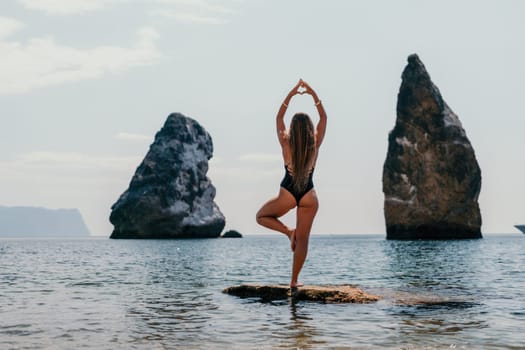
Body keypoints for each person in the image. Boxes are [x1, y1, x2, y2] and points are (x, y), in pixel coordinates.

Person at [256, 79, 327, 288]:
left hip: (287, 192)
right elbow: (323, 116)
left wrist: (292, 94)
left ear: (293, 129)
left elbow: (279, 117)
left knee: (261, 217)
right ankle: (294, 281)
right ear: (309, 129)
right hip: (309, 194)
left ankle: (288, 232)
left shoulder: (285, 144)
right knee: (303, 240)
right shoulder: (315, 145)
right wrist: (313, 93)